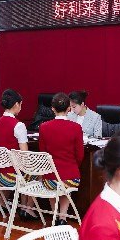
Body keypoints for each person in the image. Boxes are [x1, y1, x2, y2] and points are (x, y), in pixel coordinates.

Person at [0, 88, 37, 220]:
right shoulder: (18, 126)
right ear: (17, 104)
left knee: (24, 171)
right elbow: (24, 155)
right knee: (38, 173)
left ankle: (4, 203)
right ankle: (27, 208)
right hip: (10, 177)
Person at [39, 92, 84, 226]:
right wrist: (72, 167)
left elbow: (43, 154)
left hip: (49, 179)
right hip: (70, 178)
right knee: (65, 188)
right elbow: (80, 155)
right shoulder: (76, 128)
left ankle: (54, 215)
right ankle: (62, 217)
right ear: (69, 108)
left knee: (53, 186)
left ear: (52, 108)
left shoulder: (44, 127)